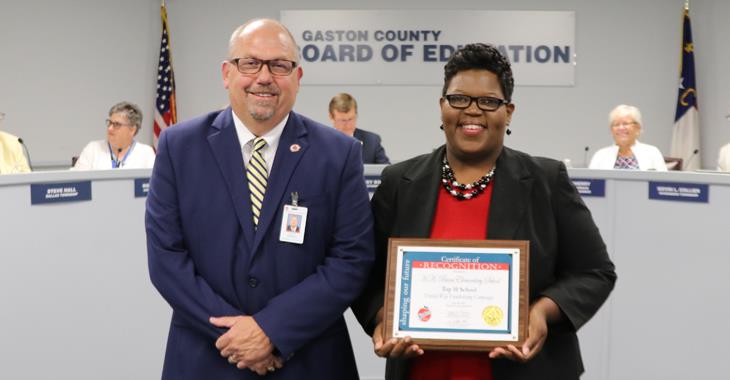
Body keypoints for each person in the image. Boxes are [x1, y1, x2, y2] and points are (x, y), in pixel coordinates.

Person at [352, 43, 617, 380]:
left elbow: (594, 272)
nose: (472, 111)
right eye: (459, 98)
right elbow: (362, 272)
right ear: (442, 106)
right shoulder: (399, 183)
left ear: (508, 111)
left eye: (489, 101)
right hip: (422, 371)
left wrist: (541, 313)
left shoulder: (546, 181)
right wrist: (382, 318)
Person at [146, 19, 374, 380]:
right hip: (206, 359)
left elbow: (351, 259)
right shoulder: (178, 147)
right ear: (226, 73)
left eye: (279, 65)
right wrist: (237, 338)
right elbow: (166, 260)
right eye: (249, 63)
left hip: (308, 360)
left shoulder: (339, 154)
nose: (264, 77)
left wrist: (272, 330)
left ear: (297, 77)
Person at [72, 101, 156, 170]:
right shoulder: (92, 149)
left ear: (132, 129)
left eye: (116, 124)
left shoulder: (146, 153)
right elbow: (77, 184)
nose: (110, 128)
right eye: (110, 123)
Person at [589, 105, 667, 170]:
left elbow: (663, 184)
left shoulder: (652, 153)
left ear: (638, 127)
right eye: (616, 124)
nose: (621, 128)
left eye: (625, 123)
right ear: (611, 130)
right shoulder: (600, 155)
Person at [329, 93, 390, 164]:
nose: (347, 125)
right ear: (331, 117)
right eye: (342, 120)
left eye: (351, 119)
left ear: (356, 115)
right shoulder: (322, 142)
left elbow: (386, 172)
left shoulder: (372, 141)